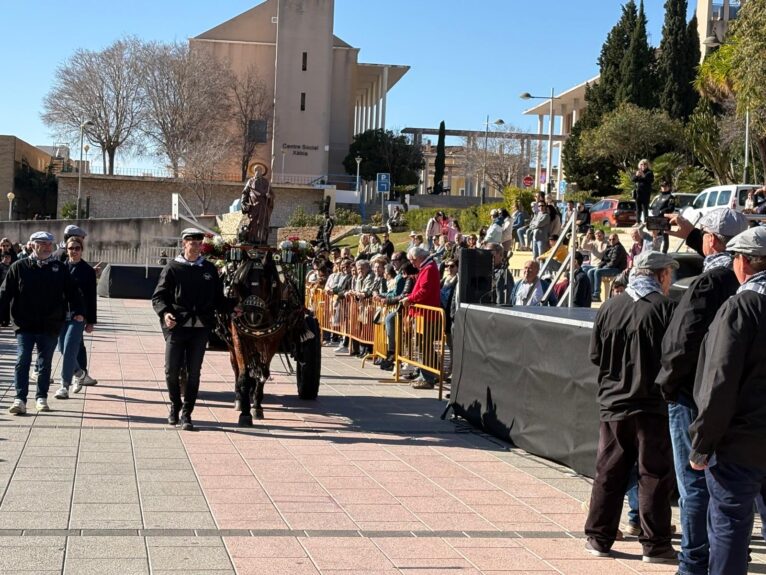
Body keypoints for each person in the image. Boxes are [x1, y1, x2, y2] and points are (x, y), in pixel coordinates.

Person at [654, 207, 748, 575]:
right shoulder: (744, 280)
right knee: (731, 487)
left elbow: (680, 343)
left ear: (711, 239)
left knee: (694, 484)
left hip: (693, 397)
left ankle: (693, 563)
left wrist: (668, 385)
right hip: (737, 398)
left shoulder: (709, 283)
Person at [584, 251, 678, 564]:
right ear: (661, 275)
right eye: (670, 275)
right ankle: (655, 545)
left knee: (608, 472)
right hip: (651, 407)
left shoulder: (610, 306)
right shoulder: (666, 308)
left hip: (613, 404)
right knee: (653, 474)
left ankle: (598, 538)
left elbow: (596, 355)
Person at [687, 226, 766, 575]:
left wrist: (702, 442)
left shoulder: (742, 306)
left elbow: (719, 381)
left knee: (730, 525)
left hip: (739, 442)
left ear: (745, 263)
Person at [2, 231, 84, 415]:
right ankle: (20, 399)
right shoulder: (19, 267)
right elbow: (5, 293)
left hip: (50, 324)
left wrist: (79, 312)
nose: (47, 247)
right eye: (42, 243)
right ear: (32, 245)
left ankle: (41, 397)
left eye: (50, 243)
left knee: (44, 362)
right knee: (22, 359)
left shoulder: (59, 268)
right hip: (25, 324)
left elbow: (72, 291)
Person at [151, 228, 225, 431]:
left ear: (202, 245)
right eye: (190, 241)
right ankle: (175, 405)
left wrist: (233, 307)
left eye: (198, 241)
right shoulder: (173, 268)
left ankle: (187, 415)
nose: (194, 244)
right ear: (183, 244)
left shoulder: (209, 269)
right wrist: (165, 313)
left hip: (200, 328)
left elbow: (218, 299)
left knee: (194, 373)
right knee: (171, 371)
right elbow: (158, 297)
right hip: (177, 327)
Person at [54, 236, 98, 398]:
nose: (74, 251)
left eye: (77, 248)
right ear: (66, 250)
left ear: (82, 250)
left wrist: (91, 321)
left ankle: (64, 386)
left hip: (78, 316)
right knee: (62, 348)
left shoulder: (87, 270)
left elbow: (91, 296)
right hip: (60, 316)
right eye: (71, 248)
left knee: (70, 346)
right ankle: (79, 373)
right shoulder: (59, 267)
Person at [400, 246, 441, 388]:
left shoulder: (429, 268)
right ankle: (433, 373)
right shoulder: (427, 267)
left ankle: (428, 377)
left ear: (419, 258)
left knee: (424, 345)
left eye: (412, 260)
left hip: (426, 315)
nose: (412, 264)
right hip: (422, 314)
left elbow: (424, 290)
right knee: (423, 344)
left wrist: (410, 299)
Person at [588, 233, 628, 302]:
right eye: (610, 239)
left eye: (614, 239)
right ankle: (592, 293)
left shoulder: (618, 248)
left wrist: (601, 268)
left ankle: (596, 295)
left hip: (617, 269)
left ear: (618, 239)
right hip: (610, 267)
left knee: (598, 272)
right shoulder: (610, 247)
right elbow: (604, 260)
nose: (611, 241)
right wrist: (600, 266)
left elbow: (613, 263)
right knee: (590, 271)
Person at [240, 166, 274, 244]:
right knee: (253, 223)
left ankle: (261, 240)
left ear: (262, 172)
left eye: (260, 170)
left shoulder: (266, 182)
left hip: (263, 206)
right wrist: (243, 203)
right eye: (256, 170)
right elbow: (245, 193)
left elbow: (272, 194)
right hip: (253, 206)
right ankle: (251, 239)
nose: (258, 171)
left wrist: (269, 197)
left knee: (262, 223)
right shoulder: (250, 181)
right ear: (254, 171)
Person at [653, 180, 676, 253]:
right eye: (662, 186)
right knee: (657, 237)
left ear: (669, 187)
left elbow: (671, 208)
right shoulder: (659, 196)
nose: (664, 188)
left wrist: (662, 211)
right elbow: (656, 207)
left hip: (665, 219)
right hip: (657, 219)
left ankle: (664, 252)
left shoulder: (671, 197)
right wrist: (655, 212)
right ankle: (657, 252)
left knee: (665, 236)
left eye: (665, 186)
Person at [632, 159, 654, 224]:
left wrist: (643, 176)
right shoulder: (638, 172)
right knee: (638, 209)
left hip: (646, 193)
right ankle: (638, 221)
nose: (643, 166)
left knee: (645, 208)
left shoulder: (649, 172)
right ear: (639, 165)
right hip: (638, 193)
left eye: (645, 164)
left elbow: (650, 180)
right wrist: (636, 175)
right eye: (641, 164)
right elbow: (633, 180)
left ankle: (646, 222)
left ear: (647, 165)